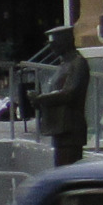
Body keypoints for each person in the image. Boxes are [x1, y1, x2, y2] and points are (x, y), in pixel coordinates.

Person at [32, 28, 92, 167]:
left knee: (68, 167)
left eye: (55, 43)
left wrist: (41, 99)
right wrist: (39, 101)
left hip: (70, 128)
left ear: (66, 42)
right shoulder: (64, 65)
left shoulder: (77, 63)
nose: (52, 48)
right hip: (60, 128)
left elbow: (69, 93)